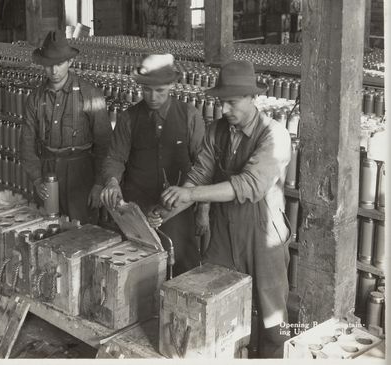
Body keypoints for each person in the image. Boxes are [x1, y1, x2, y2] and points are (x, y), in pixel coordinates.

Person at [157, 60, 292, 358]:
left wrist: (191, 193)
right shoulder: (217, 130)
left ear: (251, 98)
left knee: (273, 320)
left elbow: (249, 185)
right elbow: (200, 173)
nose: (224, 110)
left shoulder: (274, 136)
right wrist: (159, 216)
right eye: (221, 103)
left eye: (231, 102)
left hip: (262, 235)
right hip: (222, 232)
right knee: (218, 305)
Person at [100, 54, 206, 276]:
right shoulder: (129, 118)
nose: (153, 96)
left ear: (170, 85)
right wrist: (112, 181)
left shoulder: (189, 116)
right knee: (141, 271)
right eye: (147, 90)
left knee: (181, 270)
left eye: (160, 90)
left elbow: (203, 167)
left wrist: (203, 211)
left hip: (178, 211)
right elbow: (116, 157)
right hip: (139, 211)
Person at [20, 30, 112, 224]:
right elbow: (27, 144)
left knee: (81, 232)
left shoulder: (90, 94)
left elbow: (104, 144)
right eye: (48, 65)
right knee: (49, 228)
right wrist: (37, 179)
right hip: (48, 171)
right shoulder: (35, 98)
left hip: (81, 172)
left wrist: (98, 183)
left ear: (70, 62)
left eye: (59, 64)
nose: (53, 71)